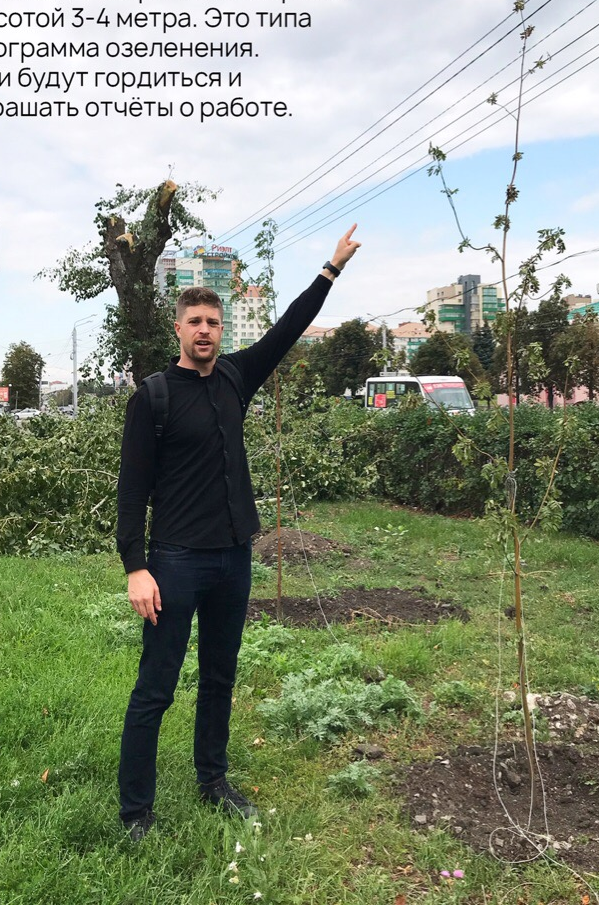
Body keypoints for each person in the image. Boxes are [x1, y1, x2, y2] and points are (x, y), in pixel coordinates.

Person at [116, 225, 361, 841]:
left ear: (222, 331)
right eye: (194, 321)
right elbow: (132, 489)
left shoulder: (235, 378)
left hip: (232, 558)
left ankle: (212, 779)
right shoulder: (153, 398)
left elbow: (287, 328)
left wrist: (329, 271)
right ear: (178, 328)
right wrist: (135, 567)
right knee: (157, 687)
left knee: (221, 676)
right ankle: (136, 811)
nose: (204, 331)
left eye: (214, 323)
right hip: (173, 562)